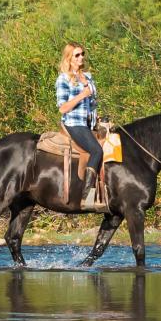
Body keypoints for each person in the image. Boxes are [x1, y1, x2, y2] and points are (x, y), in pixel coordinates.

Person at [56, 43, 103, 210]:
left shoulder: (88, 77)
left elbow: (92, 103)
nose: (81, 57)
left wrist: (96, 116)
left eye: (82, 54)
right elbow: (62, 107)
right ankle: (87, 196)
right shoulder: (64, 79)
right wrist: (82, 95)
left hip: (89, 123)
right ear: (69, 58)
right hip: (74, 123)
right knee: (97, 150)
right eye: (77, 55)